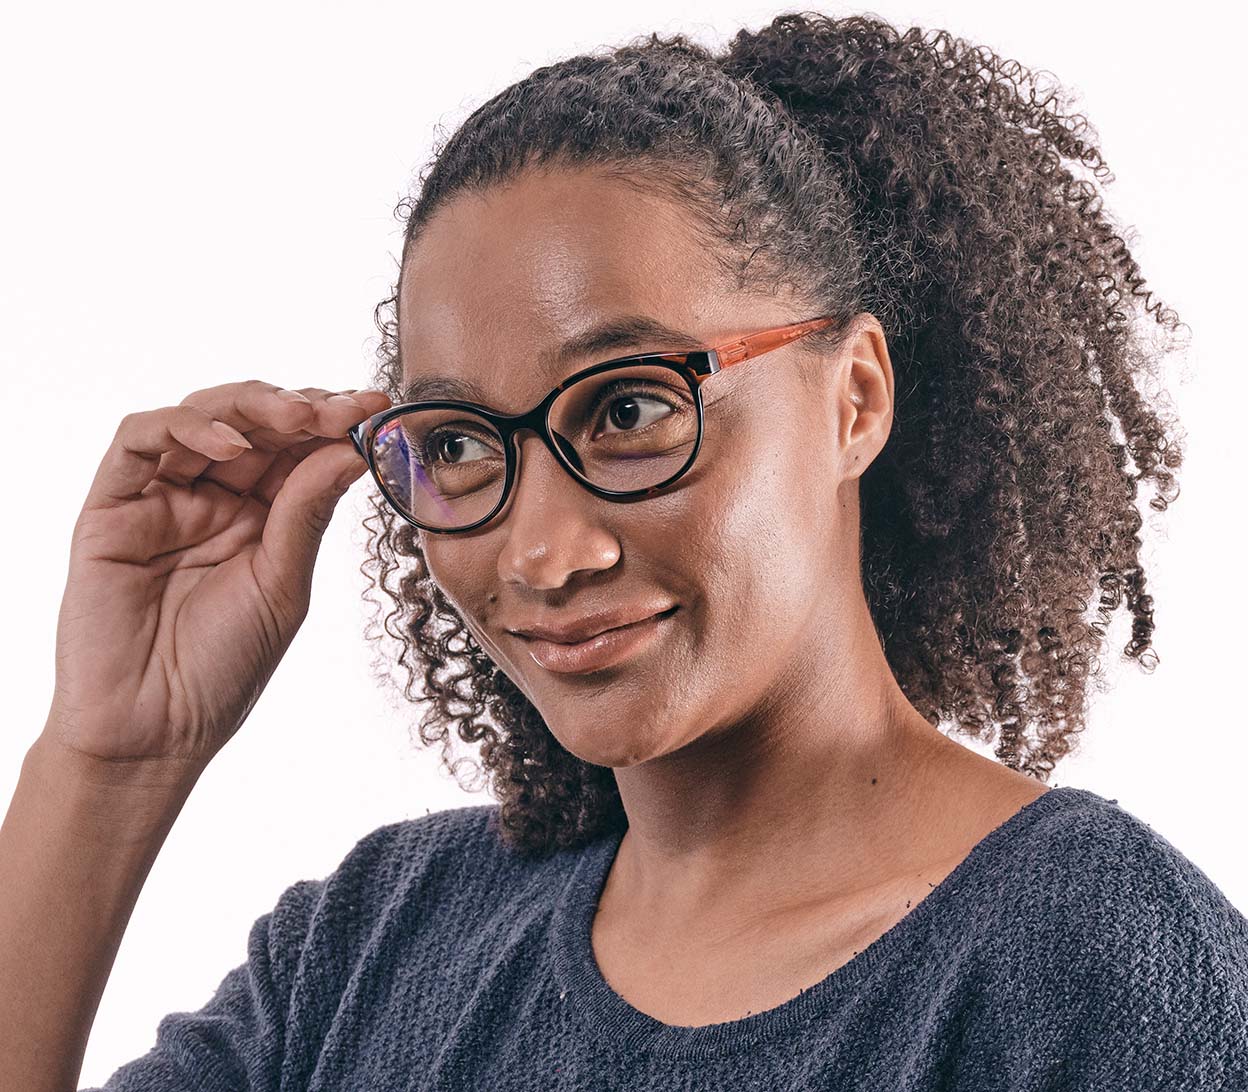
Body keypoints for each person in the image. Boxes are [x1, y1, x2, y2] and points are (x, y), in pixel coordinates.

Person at [3, 11, 1245, 1091]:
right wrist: (110, 759)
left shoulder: (1093, 965)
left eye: (633, 408)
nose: (542, 553)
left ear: (854, 398)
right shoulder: (378, 947)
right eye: (463, 443)